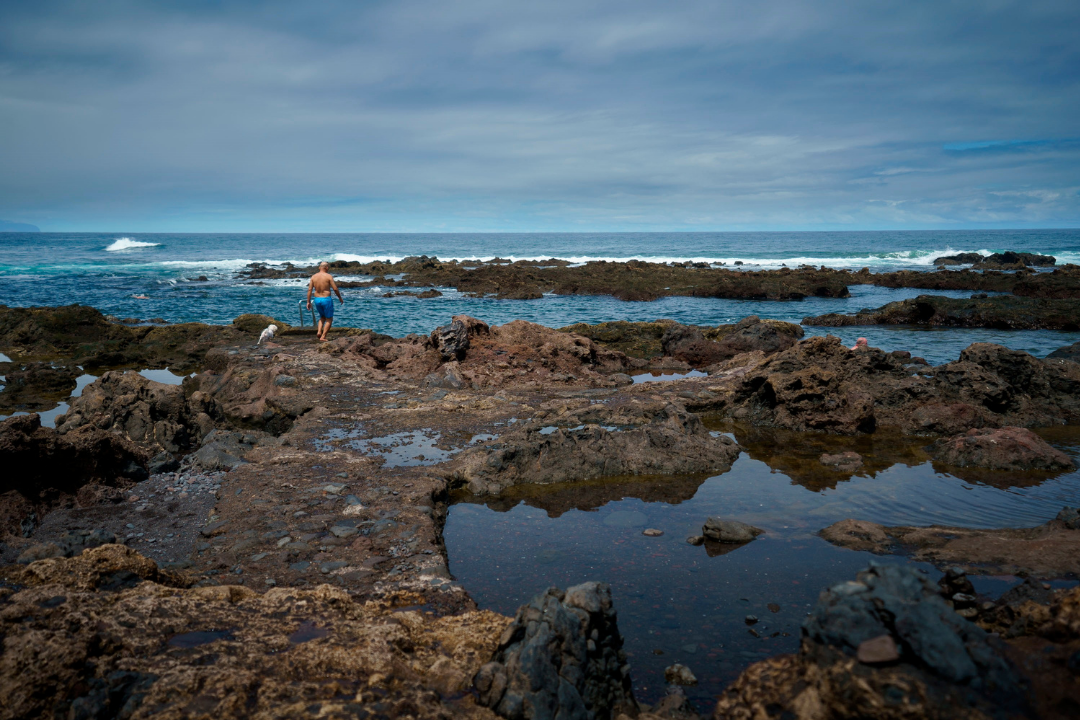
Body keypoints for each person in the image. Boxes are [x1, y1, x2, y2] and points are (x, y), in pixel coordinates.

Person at [306, 261, 344, 342]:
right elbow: (335, 289)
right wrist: (340, 297)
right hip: (326, 299)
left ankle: (319, 331)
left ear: (319, 268)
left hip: (317, 299)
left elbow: (309, 290)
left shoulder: (313, 277)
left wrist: (308, 302)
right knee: (329, 319)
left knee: (322, 317)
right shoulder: (328, 276)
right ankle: (323, 336)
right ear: (327, 268)